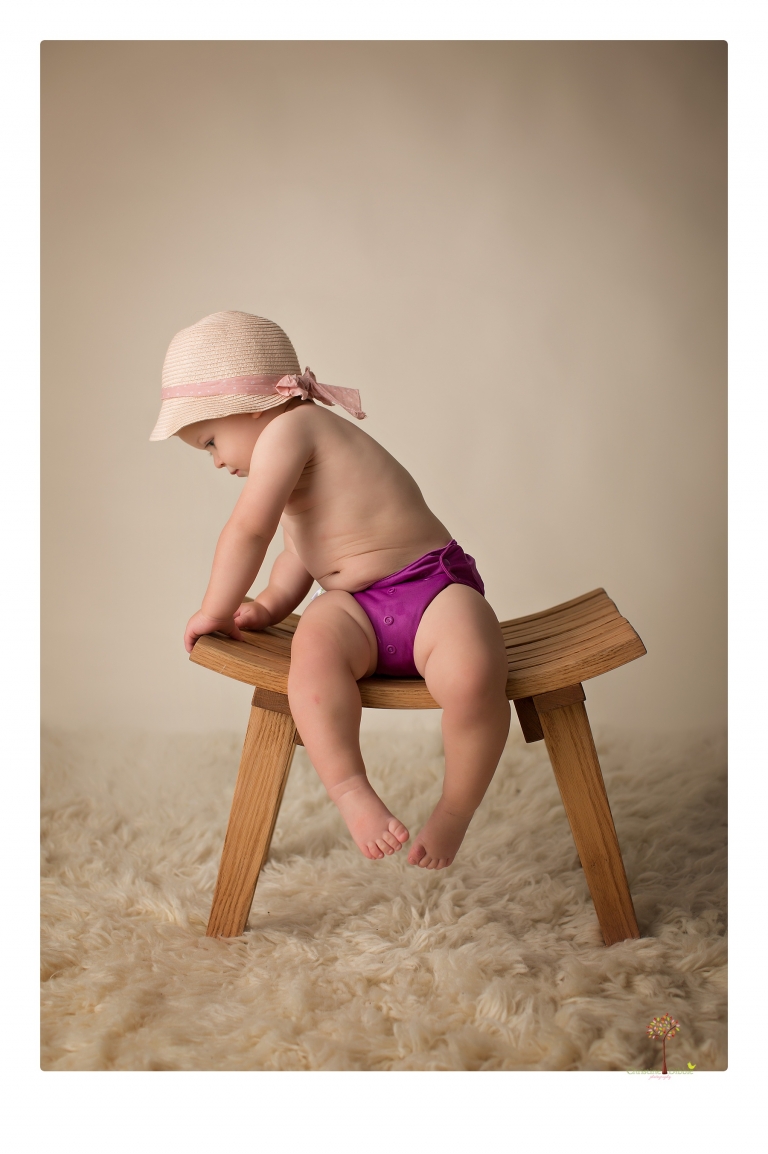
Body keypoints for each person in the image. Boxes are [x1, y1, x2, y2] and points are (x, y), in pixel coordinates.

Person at [151, 311, 510, 869]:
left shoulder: (294, 428)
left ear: (249, 406)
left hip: (430, 588)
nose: (218, 461)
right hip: (356, 612)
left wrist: (214, 610)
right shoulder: (292, 453)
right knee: (311, 653)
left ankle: (454, 811)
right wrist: (270, 605)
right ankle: (351, 791)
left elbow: (249, 530)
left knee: (473, 674)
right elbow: (301, 550)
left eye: (211, 441)